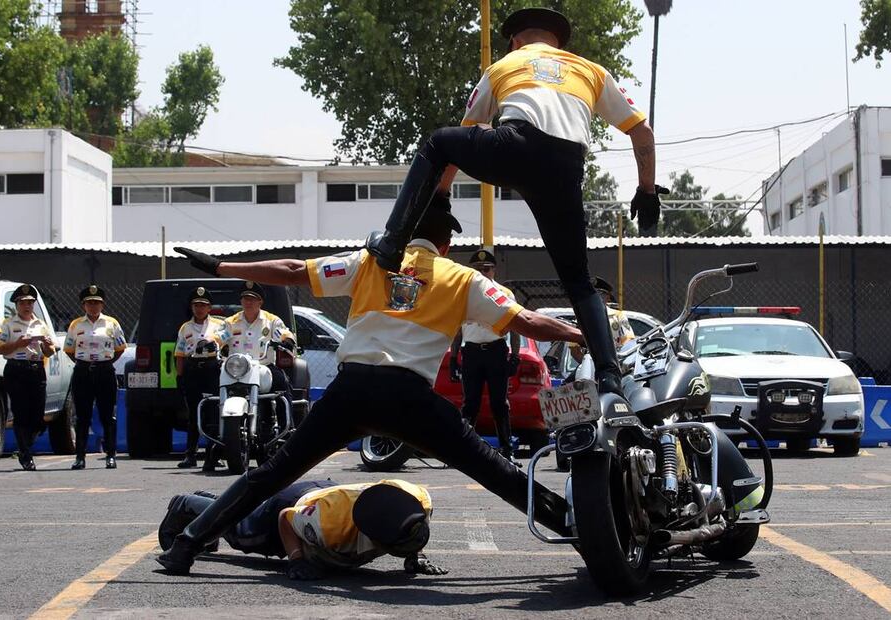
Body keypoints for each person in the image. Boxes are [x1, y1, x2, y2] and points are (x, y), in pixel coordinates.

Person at [158, 195, 585, 575]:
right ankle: (582, 531)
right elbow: (528, 322)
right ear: (447, 244)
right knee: (497, 472)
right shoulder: (463, 278)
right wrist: (580, 334)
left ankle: (186, 545)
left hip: (351, 392)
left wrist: (220, 266)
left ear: (403, 233)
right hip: (410, 400)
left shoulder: (369, 261)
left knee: (270, 475)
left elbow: (292, 271)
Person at [364, 7, 665, 397]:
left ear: (516, 40)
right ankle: (610, 376)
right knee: (579, 281)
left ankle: (391, 244)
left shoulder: (505, 64)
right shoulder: (592, 70)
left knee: (440, 141)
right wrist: (647, 189)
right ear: (558, 42)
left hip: (517, 146)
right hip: (566, 170)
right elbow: (642, 132)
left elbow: (462, 139)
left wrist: (437, 200)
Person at [158, 479, 447, 579]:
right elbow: (286, 518)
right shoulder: (330, 527)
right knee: (241, 530)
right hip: (298, 503)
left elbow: (408, 522)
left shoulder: (417, 499)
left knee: (242, 515)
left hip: (333, 493)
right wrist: (296, 559)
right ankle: (186, 504)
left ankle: (211, 503)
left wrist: (415, 555)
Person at [449, 248, 521, 464]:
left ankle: (507, 450)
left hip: (495, 351)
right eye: (478, 269)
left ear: (494, 270)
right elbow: (457, 330)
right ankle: (460, 450)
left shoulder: (504, 294)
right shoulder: (463, 294)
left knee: (500, 403)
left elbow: (516, 328)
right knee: (470, 403)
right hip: (471, 352)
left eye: (486, 269)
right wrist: (453, 358)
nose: (482, 272)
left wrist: (515, 357)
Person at [220, 281, 297, 435]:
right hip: (236, 370)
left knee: (282, 386)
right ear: (241, 301)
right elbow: (218, 335)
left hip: (264, 367)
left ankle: (287, 431)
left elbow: (283, 333)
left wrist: (287, 340)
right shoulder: (230, 322)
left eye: (252, 299)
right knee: (211, 391)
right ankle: (214, 440)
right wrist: (209, 343)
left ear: (260, 301)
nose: (248, 302)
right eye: (245, 299)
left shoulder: (271, 320)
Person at [63, 285, 126, 470]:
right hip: (83, 371)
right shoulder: (76, 324)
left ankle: (111, 455)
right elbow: (69, 349)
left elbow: (120, 348)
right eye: (89, 303)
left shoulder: (111, 323)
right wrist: (84, 362)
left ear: (102, 304)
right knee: (82, 416)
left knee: (108, 415)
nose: (93, 306)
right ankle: (80, 457)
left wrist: (104, 362)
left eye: (97, 303)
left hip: (104, 371)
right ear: (84, 305)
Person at [0, 284, 57, 471]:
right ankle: (25, 453)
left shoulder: (40, 324)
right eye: (23, 303)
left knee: (37, 414)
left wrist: (46, 345)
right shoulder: (8, 324)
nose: (27, 306)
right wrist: (17, 344)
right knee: (21, 412)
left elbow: (51, 350)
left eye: (30, 302)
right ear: (16, 305)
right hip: (16, 369)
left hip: (36, 369)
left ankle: (27, 441)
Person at [174, 286, 226, 471]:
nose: (199, 309)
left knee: (213, 412)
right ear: (192, 307)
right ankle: (190, 454)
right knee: (194, 413)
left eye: (203, 305)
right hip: (192, 369)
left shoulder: (219, 326)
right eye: (196, 305)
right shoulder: (185, 327)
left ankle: (214, 455)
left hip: (212, 369)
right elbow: (180, 353)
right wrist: (180, 377)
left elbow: (227, 347)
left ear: (209, 307)